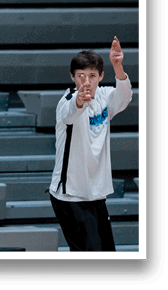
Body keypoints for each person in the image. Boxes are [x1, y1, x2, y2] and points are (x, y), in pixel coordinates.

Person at [48, 37, 132, 251]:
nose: (86, 82)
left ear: (101, 76)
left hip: (96, 194)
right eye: (81, 76)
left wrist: (118, 66)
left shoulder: (105, 96)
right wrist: (79, 102)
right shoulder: (67, 100)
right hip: (70, 196)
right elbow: (69, 114)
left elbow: (124, 97)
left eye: (92, 76)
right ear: (72, 77)